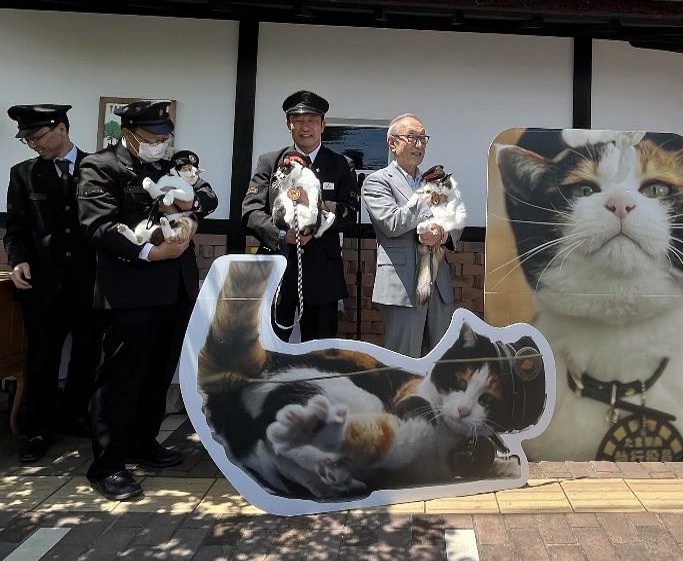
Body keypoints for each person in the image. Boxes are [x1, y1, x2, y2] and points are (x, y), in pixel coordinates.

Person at [77, 100, 217, 501]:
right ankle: (108, 465)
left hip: (175, 288)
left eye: (165, 138)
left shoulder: (170, 165)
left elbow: (207, 196)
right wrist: (146, 252)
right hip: (130, 290)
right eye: (153, 139)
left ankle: (143, 441)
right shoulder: (100, 167)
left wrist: (191, 204)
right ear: (130, 133)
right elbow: (97, 225)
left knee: (159, 371)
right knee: (121, 377)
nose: (160, 145)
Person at [4, 104, 101, 464]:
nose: (33, 145)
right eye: (27, 139)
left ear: (61, 128)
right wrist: (19, 260)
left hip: (91, 283)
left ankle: (74, 415)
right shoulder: (24, 174)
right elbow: (16, 229)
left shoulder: (98, 167)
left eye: (37, 137)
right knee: (42, 357)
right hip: (43, 286)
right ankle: (39, 429)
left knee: (88, 353)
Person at [241, 90, 357, 342]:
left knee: (319, 351)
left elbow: (350, 212)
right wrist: (283, 235)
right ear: (288, 125)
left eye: (312, 120)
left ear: (323, 125)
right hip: (277, 270)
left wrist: (317, 214)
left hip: (322, 274)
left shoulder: (340, 164)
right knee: (269, 345)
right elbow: (250, 211)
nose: (306, 127)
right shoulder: (271, 162)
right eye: (298, 120)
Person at [363, 113, 462, 357]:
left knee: (442, 359)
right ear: (392, 143)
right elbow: (391, 222)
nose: (419, 144)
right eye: (412, 137)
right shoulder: (377, 181)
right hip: (402, 284)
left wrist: (441, 234)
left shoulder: (437, 180)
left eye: (423, 138)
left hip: (438, 284)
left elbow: (456, 218)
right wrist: (425, 197)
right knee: (403, 360)